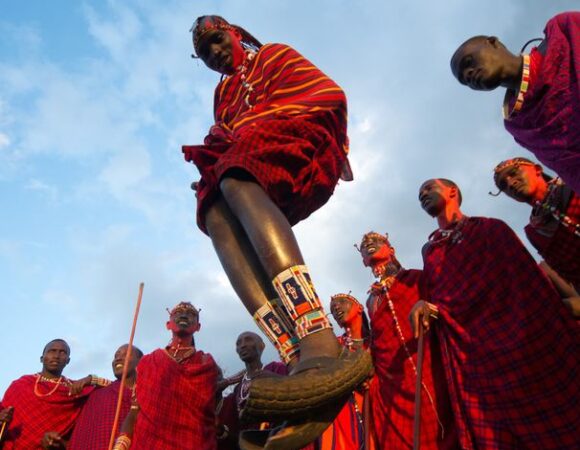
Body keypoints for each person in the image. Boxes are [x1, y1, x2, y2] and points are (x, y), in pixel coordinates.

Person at [182, 15, 371, 446]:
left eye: (216, 40)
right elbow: (227, 135)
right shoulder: (223, 92)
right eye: (204, 51)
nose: (213, 53)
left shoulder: (272, 54)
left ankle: (317, 334)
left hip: (301, 137)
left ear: (237, 34)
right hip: (251, 157)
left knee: (233, 173)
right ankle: (294, 352)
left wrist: (243, 134)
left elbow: (325, 93)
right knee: (211, 208)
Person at [413, 178, 580, 449]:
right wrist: (426, 305)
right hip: (472, 357)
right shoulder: (431, 252)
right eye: (419, 194)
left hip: (526, 345)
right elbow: (442, 298)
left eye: (428, 188)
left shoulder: (491, 228)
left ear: (452, 191)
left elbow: (528, 283)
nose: (422, 195)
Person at [449, 12, 580, 193]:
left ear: (493, 42)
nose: (467, 75)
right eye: (464, 80)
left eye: (468, 62)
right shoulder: (518, 126)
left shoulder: (565, 32)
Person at [357, 232, 457, 449]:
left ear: (391, 250)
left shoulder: (415, 278)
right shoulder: (371, 300)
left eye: (375, 241)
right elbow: (377, 340)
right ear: (364, 261)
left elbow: (446, 305)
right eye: (364, 246)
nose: (369, 245)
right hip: (392, 382)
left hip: (429, 366)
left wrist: (430, 308)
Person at [113, 302, 218, 450]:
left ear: (198, 327)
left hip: (194, 443)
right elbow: (135, 410)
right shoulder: (148, 362)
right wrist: (121, 445)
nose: (183, 315)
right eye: (178, 312)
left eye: (191, 314)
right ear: (168, 325)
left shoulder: (207, 365)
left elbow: (211, 416)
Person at [492, 157, 580, 300]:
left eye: (514, 173)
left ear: (538, 170)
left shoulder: (573, 184)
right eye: (503, 185)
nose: (510, 183)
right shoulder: (534, 232)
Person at [0, 339, 105, 449]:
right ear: (42, 358)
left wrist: (91, 379)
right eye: (52, 351)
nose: (56, 356)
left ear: (68, 360)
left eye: (62, 352)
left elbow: (115, 387)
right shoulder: (21, 385)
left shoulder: (74, 390)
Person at [68, 344, 143, 450]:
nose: (118, 358)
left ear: (141, 361)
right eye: (116, 356)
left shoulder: (146, 393)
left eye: (126, 354)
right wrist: (91, 379)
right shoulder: (97, 393)